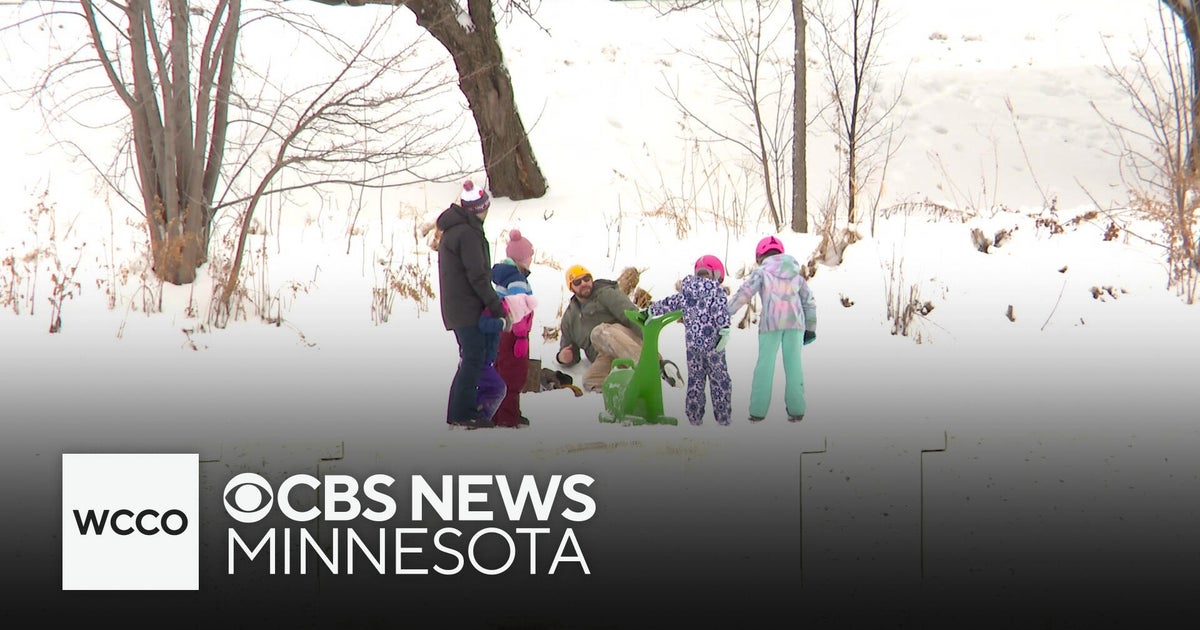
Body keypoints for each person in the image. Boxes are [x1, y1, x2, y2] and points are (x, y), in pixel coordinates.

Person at [436, 179, 509, 429]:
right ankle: (463, 413)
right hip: (466, 308)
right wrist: (496, 305)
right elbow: (477, 275)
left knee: (470, 357)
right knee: (473, 358)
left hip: (459, 307)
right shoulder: (466, 233)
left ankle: (458, 412)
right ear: (479, 209)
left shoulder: (457, 229)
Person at [727, 236, 817, 423]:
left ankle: (758, 411)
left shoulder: (761, 272)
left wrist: (725, 313)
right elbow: (808, 300)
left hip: (771, 324)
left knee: (764, 366)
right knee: (794, 366)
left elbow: (745, 294)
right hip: (796, 325)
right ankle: (797, 409)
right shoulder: (796, 273)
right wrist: (811, 327)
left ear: (760, 256)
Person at [644, 255, 733, 426]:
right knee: (720, 381)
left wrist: (650, 311)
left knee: (695, 381)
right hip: (714, 346)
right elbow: (719, 310)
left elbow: (669, 303)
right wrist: (725, 330)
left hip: (693, 347)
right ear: (715, 274)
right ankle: (723, 418)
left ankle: (694, 418)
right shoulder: (716, 290)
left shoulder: (686, 292)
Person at [557, 265, 653, 392]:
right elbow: (569, 350)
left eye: (586, 278)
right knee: (590, 381)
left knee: (598, 332)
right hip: (605, 355)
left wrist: (649, 346)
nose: (584, 283)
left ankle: (650, 365)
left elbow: (632, 315)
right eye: (577, 282)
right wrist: (562, 357)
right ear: (571, 287)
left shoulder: (605, 293)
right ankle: (627, 393)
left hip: (625, 342)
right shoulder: (569, 318)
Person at [490, 230, 538, 428]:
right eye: (530, 257)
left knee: (501, 371)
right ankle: (508, 417)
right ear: (523, 259)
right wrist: (520, 336)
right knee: (513, 375)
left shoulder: (504, 276)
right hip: (513, 334)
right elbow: (517, 308)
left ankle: (499, 412)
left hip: (500, 332)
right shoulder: (516, 279)